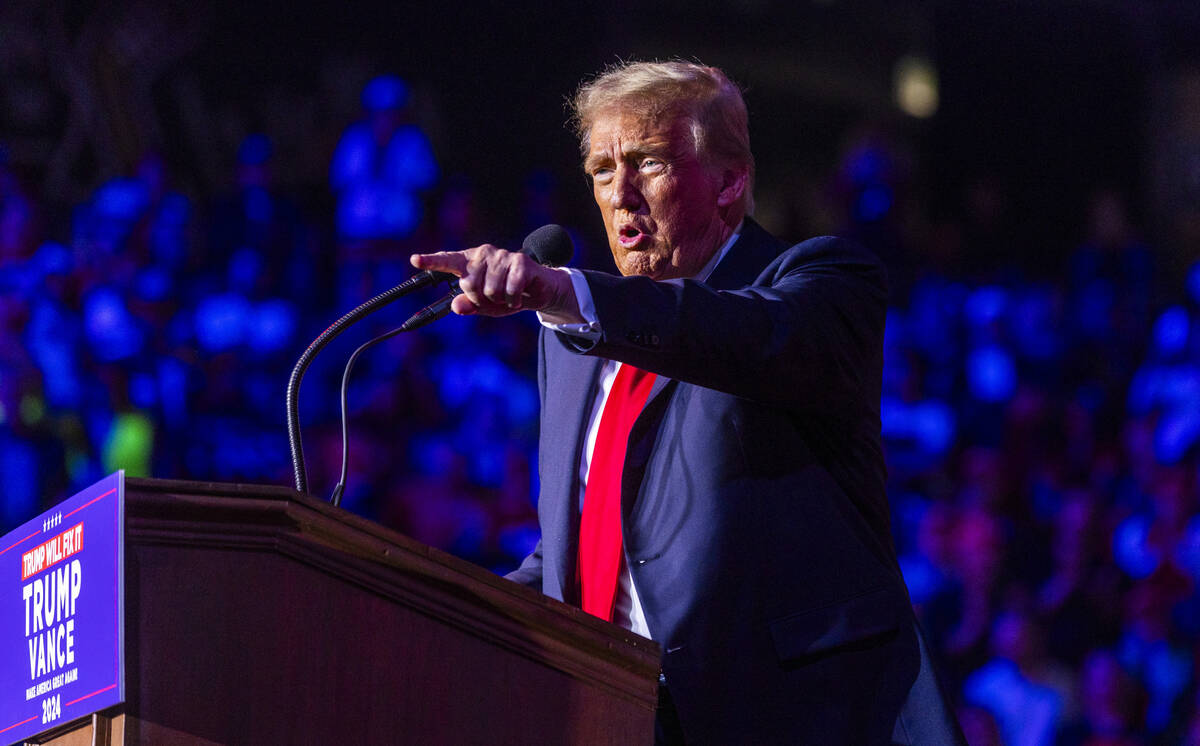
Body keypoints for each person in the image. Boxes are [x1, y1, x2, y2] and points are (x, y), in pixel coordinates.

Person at [412, 60, 964, 745]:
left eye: (649, 162)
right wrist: (441, 614)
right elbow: (587, 550)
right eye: (602, 170)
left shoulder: (820, 285)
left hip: (787, 718)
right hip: (613, 718)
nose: (621, 195)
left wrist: (565, 296)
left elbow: (732, 335)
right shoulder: (570, 338)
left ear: (730, 181)